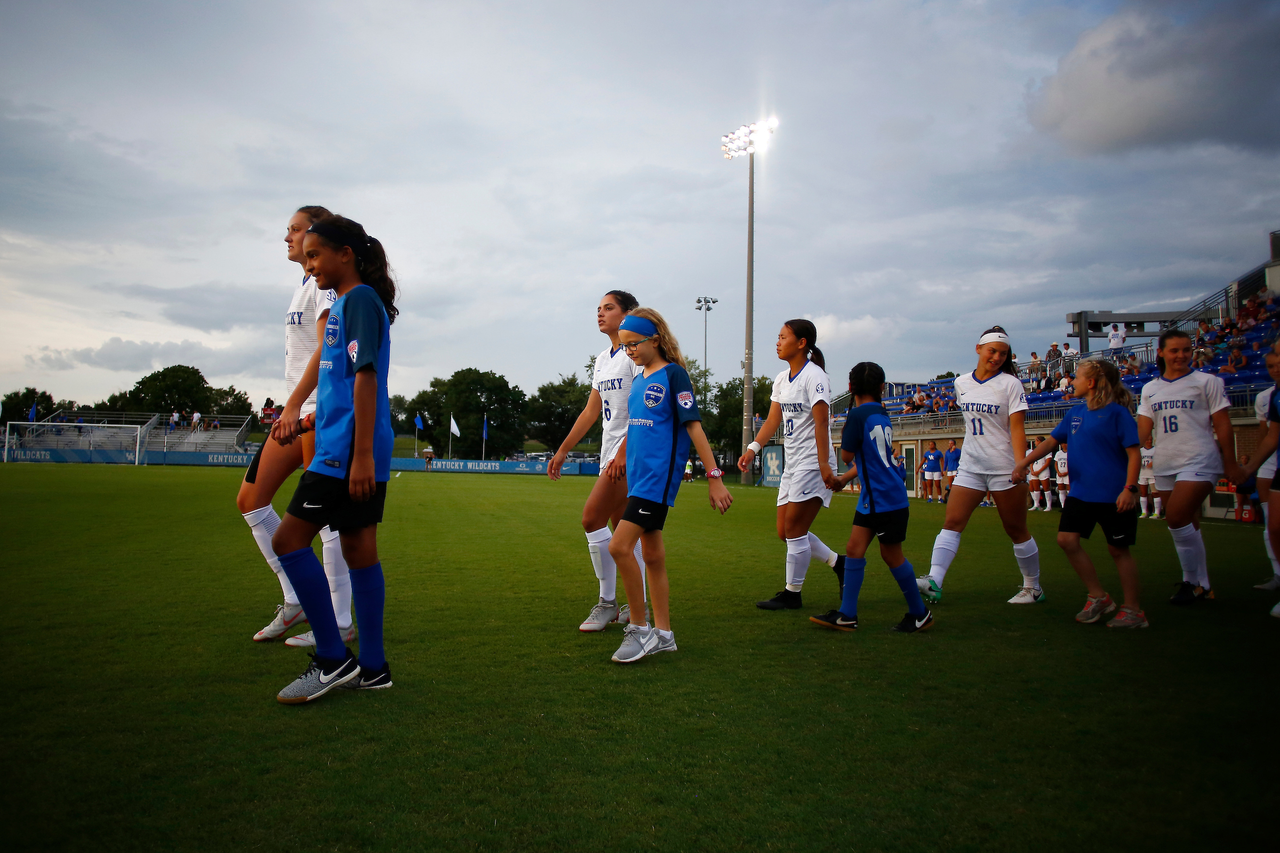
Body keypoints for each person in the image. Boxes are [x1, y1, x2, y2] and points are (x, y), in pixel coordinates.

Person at [268, 214, 398, 702]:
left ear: (346, 253)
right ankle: (374, 666)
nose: (309, 262)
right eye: (307, 256)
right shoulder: (348, 302)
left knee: (288, 541)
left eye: (316, 254)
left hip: (346, 450)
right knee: (359, 549)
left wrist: (360, 454)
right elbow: (343, 378)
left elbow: (365, 378)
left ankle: (331, 659)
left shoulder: (359, 299)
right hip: (349, 445)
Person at [235, 205, 356, 649]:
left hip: (314, 412)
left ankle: (340, 622)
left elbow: (328, 349)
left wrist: (296, 408)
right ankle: (296, 599)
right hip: (294, 412)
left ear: (316, 236)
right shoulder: (304, 284)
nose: (286, 238)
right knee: (251, 501)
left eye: (294, 230)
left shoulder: (324, 288)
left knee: (323, 520)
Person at [609, 308, 732, 663]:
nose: (629, 350)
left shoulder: (675, 375)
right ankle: (664, 634)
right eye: (624, 345)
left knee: (619, 547)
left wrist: (714, 478)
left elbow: (694, 427)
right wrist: (621, 454)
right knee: (652, 555)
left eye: (634, 343)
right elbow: (636, 426)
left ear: (655, 340)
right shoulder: (639, 379)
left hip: (657, 480)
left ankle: (640, 628)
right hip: (638, 479)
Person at [1013, 359, 1146, 628]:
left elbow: (1134, 454)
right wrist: (1024, 464)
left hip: (1114, 495)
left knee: (1119, 550)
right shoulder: (1075, 413)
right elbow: (1051, 441)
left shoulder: (1118, 414)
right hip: (1081, 494)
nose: (1071, 381)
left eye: (1076, 377)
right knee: (1066, 540)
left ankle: (1133, 610)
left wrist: (1130, 489)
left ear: (1092, 382)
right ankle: (1098, 596)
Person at [917, 326, 1042, 605]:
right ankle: (934, 580)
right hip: (971, 465)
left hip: (1003, 466)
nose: (996, 357)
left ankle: (1033, 587)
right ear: (978, 349)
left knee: (1015, 529)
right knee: (952, 522)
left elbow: (1018, 428)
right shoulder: (961, 382)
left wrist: (1021, 464)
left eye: (1002, 353)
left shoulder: (1011, 384)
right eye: (992, 351)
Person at [548, 290, 649, 632]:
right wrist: (562, 450)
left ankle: (607, 603)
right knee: (625, 533)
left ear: (627, 315)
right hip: (612, 453)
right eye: (598, 309)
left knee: (592, 519)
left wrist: (622, 452)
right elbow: (592, 410)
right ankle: (636, 605)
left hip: (628, 455)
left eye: (609, 308)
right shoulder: (604, 358)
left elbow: (642, 411)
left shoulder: (635, 355)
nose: (600, 313)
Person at [811, 362, 933, 634]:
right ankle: (847, 614)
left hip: (882, 497)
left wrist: (840, 468)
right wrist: (845, 479)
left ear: (851, 387)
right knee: (854, 549)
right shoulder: (880, 411)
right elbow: (872, 457)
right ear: (881, 387)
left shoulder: (857, 415)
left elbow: (846, 455)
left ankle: (919, 613)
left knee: (892, 556)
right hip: (879, 495)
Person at [740, 319, 846, 611]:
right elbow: (773, 420)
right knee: (784, 531)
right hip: (793, 463)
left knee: (795, 530)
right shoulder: (781, 378)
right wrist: (752, 448)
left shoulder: (815, 377)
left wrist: (825, 464)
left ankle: (792, 593)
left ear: (801, 343)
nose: (777, 341)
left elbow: (822, 421)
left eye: (783, 337)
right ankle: (839, 564)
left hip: (812, 462)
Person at [1137, 329, 1242, 606]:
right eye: (1174, 350)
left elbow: (1223, 423)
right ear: (1161, 353)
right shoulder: (1150, 389)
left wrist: (1230, 462)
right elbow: (1142, 431)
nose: (1181, 355)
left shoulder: (1207, 382)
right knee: (1187, 524)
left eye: (1186, 350)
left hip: (1200, 458)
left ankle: (1193, 582)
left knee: (1175, 517)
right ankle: (1201, 585)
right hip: (1165, 461)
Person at [1250, 352, 1280, 590]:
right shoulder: (1266, 397)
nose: (1275, 369)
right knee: (1272, 522)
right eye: (1270, 365)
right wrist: (1253, 465)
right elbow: (1267, 435)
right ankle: (1277, 573)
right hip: (1273, 462)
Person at [1137, 437, 1160, 519]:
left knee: (1155, 493)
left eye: (1150, 439)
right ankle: (1144, 512)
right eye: (1147, 439)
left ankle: (1157, 512)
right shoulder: (1141, 450)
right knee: (1143, 493)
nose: (1149, 441)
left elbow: (1159, 459)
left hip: (1153, 474)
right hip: (1143, 474)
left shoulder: (1155, 450)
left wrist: (1153, 463)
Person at [1027, 436, 1053, 511]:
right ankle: (1036, 504)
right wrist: (1032, 470)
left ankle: (1049, 506)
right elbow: (1031, 461)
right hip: (1035, 471)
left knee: (1046, 488)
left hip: (1043, 471)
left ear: (1039, 441)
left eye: (1036, 441)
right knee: (1036, 488)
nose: (1035, 443)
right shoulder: (1034, 451)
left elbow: (1047, 462)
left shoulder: (1047, 450)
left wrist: (1039, 471)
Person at [941, 439, 961, 503]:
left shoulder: (958, 451)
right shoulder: (947, 452)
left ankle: (958, 497)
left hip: (955, 468)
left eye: (951, 443)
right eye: (949, 443)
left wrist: (953, 451)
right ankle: (950, 498)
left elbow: (955, 457)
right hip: (950, 469)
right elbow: (946, 461)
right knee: (950, 485)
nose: (950, 445)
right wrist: (944, 469)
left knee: (956, 483)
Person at [1054, 442, 1070, 509]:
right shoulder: (1058, 453)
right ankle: (1063, 506)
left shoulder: (1071, 452)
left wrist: (1067, 472)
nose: (1064, 445)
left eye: (1066, 443)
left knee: (1069, 490)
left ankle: (1069, 506)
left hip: (1068, 474)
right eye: (1063, 444)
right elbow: (1056, 463)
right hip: (1060, 474)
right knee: (1061, 490)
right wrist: (1058, 472)